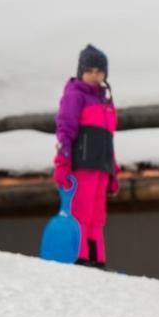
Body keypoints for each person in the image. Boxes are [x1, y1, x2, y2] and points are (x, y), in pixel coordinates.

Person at [52, 44, 119, 268]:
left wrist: (113, 170)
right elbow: (65, 130)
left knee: (97, 216)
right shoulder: (74, 96)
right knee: (81, 212)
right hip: (82, 165)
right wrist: (62, 162)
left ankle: (96, 258)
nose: (94, 75)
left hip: (101, 167)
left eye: (99, 71)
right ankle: (79, 257)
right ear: (81, 71)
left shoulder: (105, 101)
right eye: (89, 71)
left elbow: (108, 140)